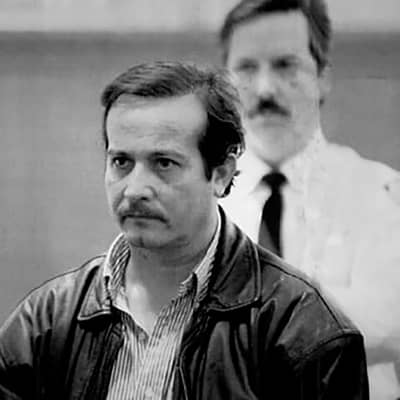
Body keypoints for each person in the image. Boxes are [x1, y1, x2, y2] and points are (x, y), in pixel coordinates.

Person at [0, 61, 368, 399]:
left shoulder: (304, 333)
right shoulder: (45, 322)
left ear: (221, 174)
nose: (135, 189)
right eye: (121, 162)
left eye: (163, 163)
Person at [218, 1, 400, 399]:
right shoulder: (200, 205)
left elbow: (389, 321)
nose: (265, 90)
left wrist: (238, 315)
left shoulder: (380, 193)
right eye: (246, 68)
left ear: (322, 79)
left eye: (286, 66)